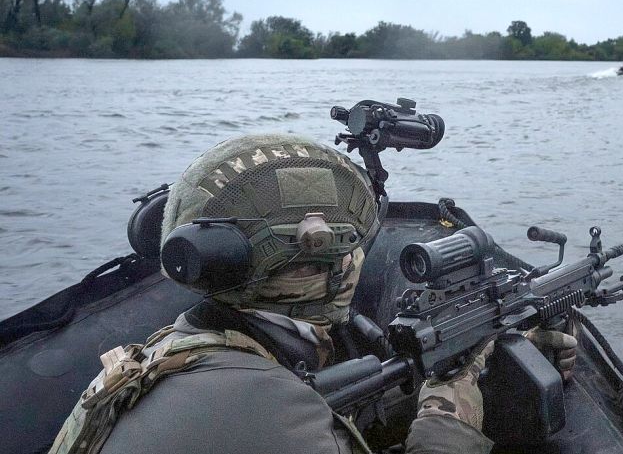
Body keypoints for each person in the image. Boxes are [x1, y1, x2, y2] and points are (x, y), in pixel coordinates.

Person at [49, 133, 576, 454]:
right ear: (329, 259)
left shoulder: (185, 349)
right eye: (350, 242)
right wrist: (449, 413)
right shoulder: (265, 406)